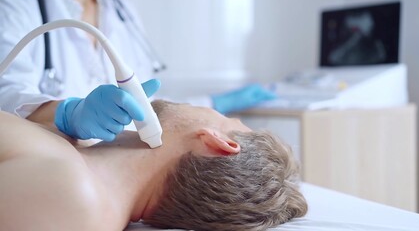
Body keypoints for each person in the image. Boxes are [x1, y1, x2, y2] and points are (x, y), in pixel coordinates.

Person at [0, 0, 276, 141]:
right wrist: (68, 115)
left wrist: (211, 102)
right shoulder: (12, 4)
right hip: (50, 166)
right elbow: (6, 92)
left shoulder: (121, 8)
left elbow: (144, 102)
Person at [0, 100, 307, 231]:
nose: (196, 105)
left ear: (216, 141)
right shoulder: (76, 164)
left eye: (221, 116)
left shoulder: (73, 195)